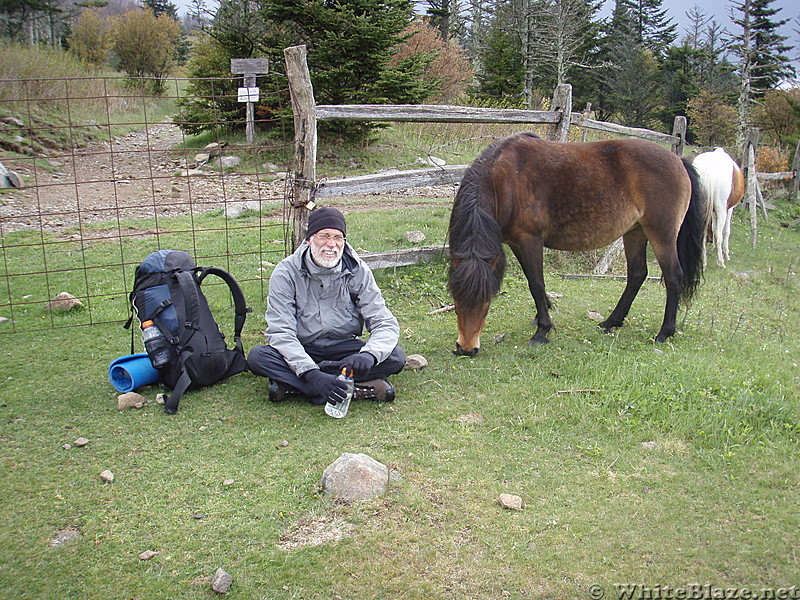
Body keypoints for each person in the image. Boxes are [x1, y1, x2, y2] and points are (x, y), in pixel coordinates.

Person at [247, 206, 406, 406]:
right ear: (308, 239)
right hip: (304, 347)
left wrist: (369, 355)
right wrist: (311, 373)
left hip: (344, 349)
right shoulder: (286, 273)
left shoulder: (357, 270)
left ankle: (294, 386)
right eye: (324, 236)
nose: (331, 244)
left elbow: (384, 321)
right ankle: (344, 387)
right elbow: (281, 331)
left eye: (338, 237)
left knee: (395, 356)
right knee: (258, 357)